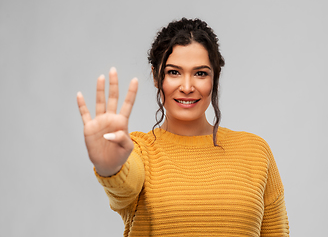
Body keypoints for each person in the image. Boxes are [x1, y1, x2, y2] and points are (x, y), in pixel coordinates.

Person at [77, 18, 289, 236]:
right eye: (174, 72)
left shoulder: (255, 151)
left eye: (200, 73)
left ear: (215, 78)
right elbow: (124, 188)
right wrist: (111, 168)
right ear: (156, 77)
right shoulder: (137, 150)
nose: (187, 87)